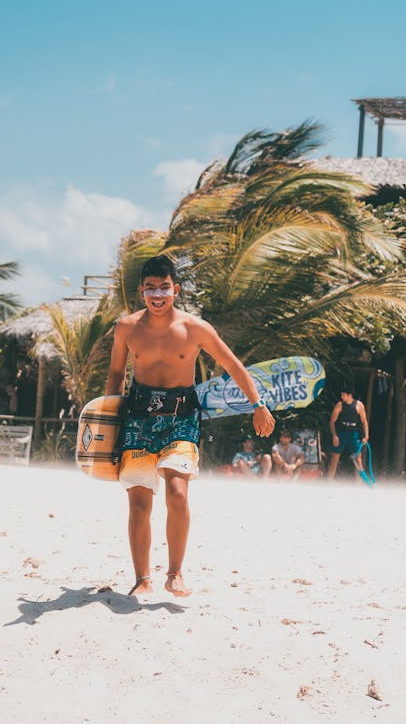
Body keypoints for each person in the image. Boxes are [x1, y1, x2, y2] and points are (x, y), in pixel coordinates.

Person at [105, 255, 275, 597]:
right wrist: (109, 417)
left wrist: (258, 405)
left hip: (182, 416)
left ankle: (175, 573)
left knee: (178, 493)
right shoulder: (126, 327)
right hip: (138, 417)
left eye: (164, 287)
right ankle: (142, 579)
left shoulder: (195, 328)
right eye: (150, 288)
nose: (157, 294)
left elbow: (232, 364)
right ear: (141, 291)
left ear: (175, 289)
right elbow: (115, 373)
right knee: (139, 502)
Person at [327, 385, 369, 481]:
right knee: (334, 459)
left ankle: (360, 483)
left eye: (343, 395)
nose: (341, 397)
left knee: (358, 459)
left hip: (353, 434)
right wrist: (334, 435)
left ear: (349, 395)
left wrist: (366, 435)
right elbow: (332, 421)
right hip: (341, 433)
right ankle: (329, 482)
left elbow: (364, 421)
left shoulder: (359, 405)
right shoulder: (339, 405)